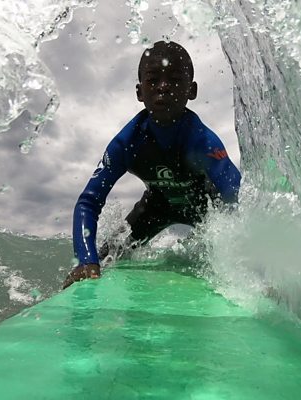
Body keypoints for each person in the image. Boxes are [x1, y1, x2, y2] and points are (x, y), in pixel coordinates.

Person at [63, 41, 241, 289]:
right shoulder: (126, 143)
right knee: (106, 257)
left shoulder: (204, 143)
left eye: (175, 79)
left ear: (191, 90)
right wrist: (86, 260)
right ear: (139, 92)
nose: (163, 87)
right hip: (155, 209)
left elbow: (238, 202)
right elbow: (88, 202)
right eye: (153, 80)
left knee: (228, 258)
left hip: (205, 210)